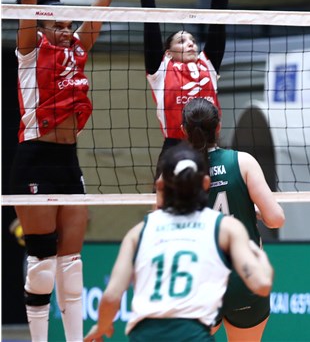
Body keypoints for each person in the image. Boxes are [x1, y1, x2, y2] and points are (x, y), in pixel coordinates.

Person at [2, 0, 134, 342]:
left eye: (67, 23)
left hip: (68, 161)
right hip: (33, 159)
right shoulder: (29, 49)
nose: (65, 28)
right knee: (41, 264)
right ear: (40, 25)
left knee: (71, 263)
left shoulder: (78, 47)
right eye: (55, 24)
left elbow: (102, 1)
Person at [83, 143, 274, 342]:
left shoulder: (139, 232)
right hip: (193, 334)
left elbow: (111, 297)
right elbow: (261, 284)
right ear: (205, 184)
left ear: (160, 186)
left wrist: (102, 326)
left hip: (145, 335)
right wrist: (259, 256)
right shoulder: (220, 227)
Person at [181, 97, 285, 341]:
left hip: (201, 280)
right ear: (218, 126)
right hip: (244, 278)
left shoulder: (178, 171)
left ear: (184, 130)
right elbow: (276, 220)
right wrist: (252, 211)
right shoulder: (243, 162)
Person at [126, 0, 237, 161]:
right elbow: (150, 21)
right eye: (182, 41)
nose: (191, 43)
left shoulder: (207, 63)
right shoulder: (161, 70)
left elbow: (219, 19)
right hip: (175, 148)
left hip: (210, 148)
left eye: (193, 40)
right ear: (168, 53)